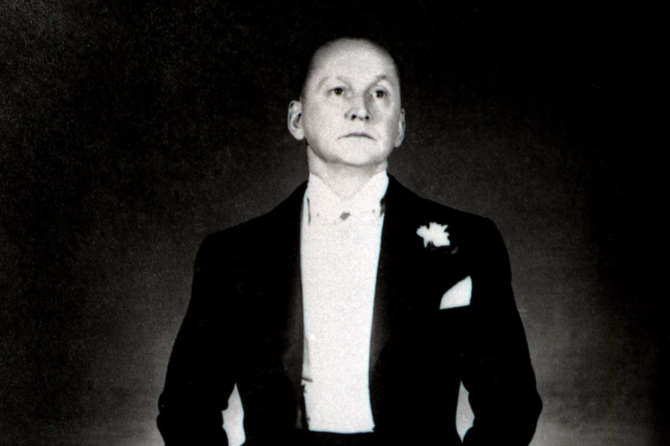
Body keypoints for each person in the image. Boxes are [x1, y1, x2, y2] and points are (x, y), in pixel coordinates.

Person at [157, 37, 542, 446]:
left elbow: (511, 405)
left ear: (400, 126)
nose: (361, 109)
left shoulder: (471, 243)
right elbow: (186, 408)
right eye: (338, 90)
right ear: (297, 118)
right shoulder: (232, 255)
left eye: (380, 93)